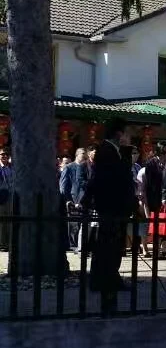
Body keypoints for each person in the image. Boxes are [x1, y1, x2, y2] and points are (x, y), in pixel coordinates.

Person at [84, 120, 137, 309]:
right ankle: (105, 281)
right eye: (126, 133)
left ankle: (108, 278)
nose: (129, 137)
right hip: (110, 207)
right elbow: (108, 179)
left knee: (113, 245)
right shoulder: (107, 151)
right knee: (108, 245)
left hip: (116, 208)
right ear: (119, 134)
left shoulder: (115, 151)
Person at [61, 148, 91, 252]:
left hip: (84, 199)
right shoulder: (69, 167)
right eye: (83, 153)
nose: (84, 155)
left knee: (84, 223)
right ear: (77, 154)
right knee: (74, 224)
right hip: (73, 198)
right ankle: (73, 245)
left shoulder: (87, 167)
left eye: (85, 153)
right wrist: (67, 199)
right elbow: (63, 185)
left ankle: (81, 246)